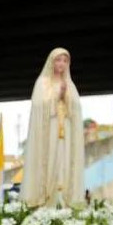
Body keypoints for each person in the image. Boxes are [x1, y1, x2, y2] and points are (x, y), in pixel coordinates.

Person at [21, 47, 85, 206]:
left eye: (65, 61)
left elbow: (76, 109)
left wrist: (65, 96)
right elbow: (38, 105)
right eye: (58, 60)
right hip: (49, 130)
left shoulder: (70, 85)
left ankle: (64, 200)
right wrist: (57, 95)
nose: (61, 64)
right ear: (52, 62)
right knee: (50, 162)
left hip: (65, 131)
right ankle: (46, 199)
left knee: (63, 162)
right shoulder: (43, 83)